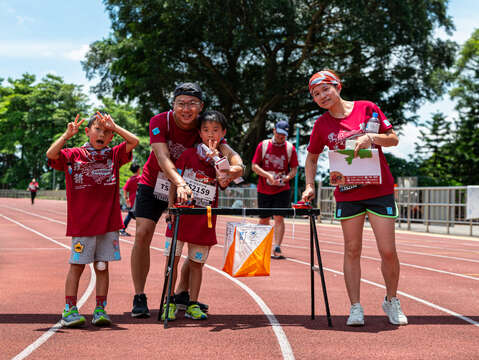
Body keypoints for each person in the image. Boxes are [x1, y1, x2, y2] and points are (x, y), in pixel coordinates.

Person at [302, 69, 408, 326]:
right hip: (347, 193)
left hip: (379, 190)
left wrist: (371, 137)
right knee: (352, 249)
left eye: (325, 89)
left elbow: (393, 139)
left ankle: (391, 300)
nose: (322, 96)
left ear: (338, 86)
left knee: (388, 251)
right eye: (316, 94)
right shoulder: (321, 124)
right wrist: (308, 185)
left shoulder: (367, 108)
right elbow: (312, 157)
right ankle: (355, 306)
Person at [130, 82, 244, 318]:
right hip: (156, 181)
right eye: (181, 103)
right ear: (173, 105)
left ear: (200, 106)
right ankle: (139, 295)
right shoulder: (160, 121)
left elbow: (232, 156)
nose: (186, 108)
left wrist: (236, 170)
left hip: (191, 189)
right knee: (142, 233)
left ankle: (181, 293)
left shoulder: (205, 127)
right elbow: (162, 157)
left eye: (192, 104)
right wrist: (180, 183)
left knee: (190, 237)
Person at [46, 112, 139, 327]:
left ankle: (100, 309)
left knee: (102, 266)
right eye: (97, 129)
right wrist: (66, 135)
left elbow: (134, 141)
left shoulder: (114, 154)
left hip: (108, 224)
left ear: (111, 137)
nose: (102, 134)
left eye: (106, 132)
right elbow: (51, 154)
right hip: (83, 224)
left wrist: (115, 127)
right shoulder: (73, 154)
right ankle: (69, 309)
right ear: (87, 132)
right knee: (77, 266)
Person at [162, 110, 233, 321]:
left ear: (223, 133)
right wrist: (170, 208)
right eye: (205, 130)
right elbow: (175, 181)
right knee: (171, 262)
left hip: (204, 221)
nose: (210, 134)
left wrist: (217, 161)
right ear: (199, 133)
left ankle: (193, 303)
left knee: (197, 264)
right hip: (180, 217)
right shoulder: (187, 155)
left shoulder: (222, 159)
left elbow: (224, 182)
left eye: (215, 130)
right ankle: (169, 302)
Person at [251, 121, 298, 259]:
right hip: (264, 188)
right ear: (274, 131)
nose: (281, 137)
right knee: (264, 219)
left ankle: (277, 246)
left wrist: (286, 178)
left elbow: (294, 169)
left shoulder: (290, 148)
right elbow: (254, 166)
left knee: (279, 217)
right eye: (279, 133)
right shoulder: (263, 145)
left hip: (282, 189)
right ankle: (262, 246)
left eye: (284, 135)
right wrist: (268, 176)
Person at [120, 163, 141, 236]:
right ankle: (122, 229)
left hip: (132, 201)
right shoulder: (140, 178)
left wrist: (127, 199)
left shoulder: (130, 179)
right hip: (138, 201)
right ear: (138, 170)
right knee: (137, 216)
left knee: (131, 215)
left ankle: (122, 229)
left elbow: (125, 189)